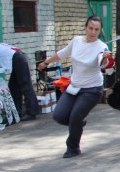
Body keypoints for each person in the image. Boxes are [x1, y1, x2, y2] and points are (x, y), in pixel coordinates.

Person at [38, 16, 112, 158]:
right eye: (90, 28)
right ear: (86, 27)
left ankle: (73, 148)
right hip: (74, 86)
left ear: (100, 30)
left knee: (75, 116)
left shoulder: (102, 47)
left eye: (96, 29)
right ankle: (78, 124)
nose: (93, 32)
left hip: (92, 89)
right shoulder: (77, 41)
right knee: (59, 116)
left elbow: (102, 63)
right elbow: (63, 53)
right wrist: (46, 62)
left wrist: (105, 58)